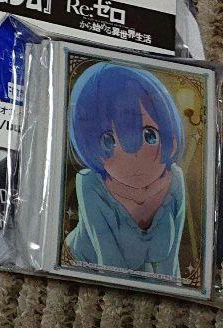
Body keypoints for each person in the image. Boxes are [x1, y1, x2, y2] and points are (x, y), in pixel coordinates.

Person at [65, 62, 187, 279]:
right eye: (109, 141)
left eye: (149, 135)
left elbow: (171, 267)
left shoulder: (175, 180)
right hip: (82, 270)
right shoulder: (91, 185)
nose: (133, 159)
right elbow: (110, 267)